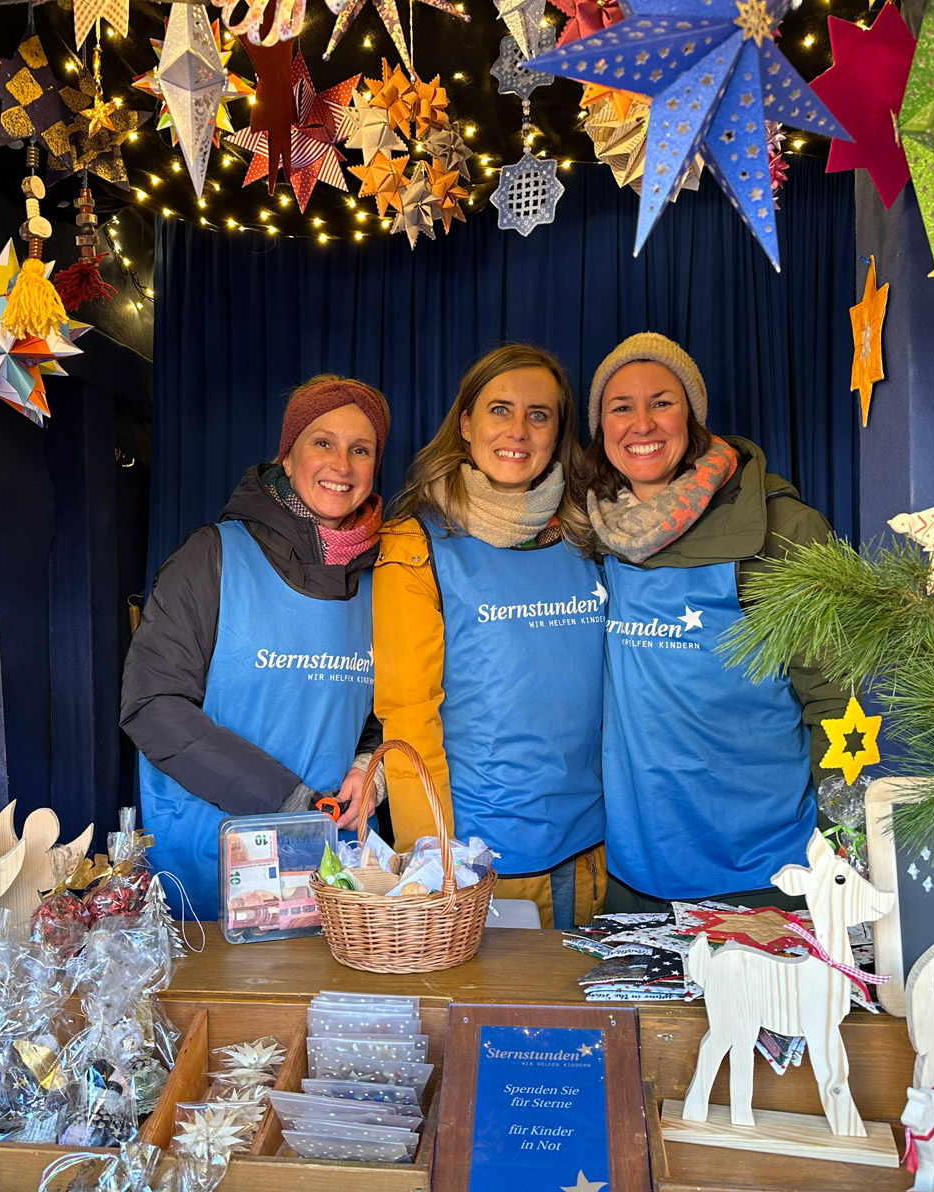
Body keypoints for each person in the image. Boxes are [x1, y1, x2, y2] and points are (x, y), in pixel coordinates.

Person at [584, 332, 846, 912]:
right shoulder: (587, 533)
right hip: (637, 877)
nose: (642, 423)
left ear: (694, 416)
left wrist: (841, 836)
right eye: (620, 407)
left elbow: (836, 700)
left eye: (663, 402)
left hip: (770, 873)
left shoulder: (783, 527)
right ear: (600, 431)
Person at [120, 375, 390, 920]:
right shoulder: (213, 556)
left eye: (360, 449)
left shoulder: (383, 576)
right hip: (217, 856)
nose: (342, 463)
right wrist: (288, 804)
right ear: (286, 458)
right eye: (322, 442)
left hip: (338, 858)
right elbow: (153, 707)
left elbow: (373, 710)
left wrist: (369, 768)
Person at [373, 344, 606, 930]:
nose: (519, 432)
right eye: (500, 409)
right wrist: (432, 864)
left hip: (594, 855)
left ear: (559, 432)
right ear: (466, 424)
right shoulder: (415, 543)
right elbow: (407, 714)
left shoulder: (591, 535)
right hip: (478, 868)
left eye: (539, 414)